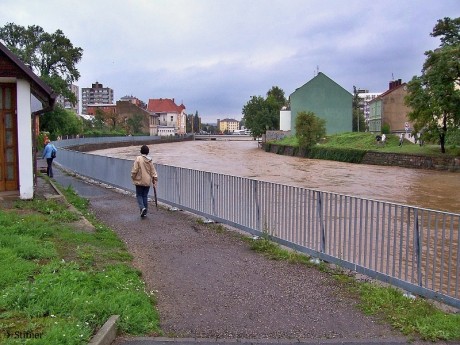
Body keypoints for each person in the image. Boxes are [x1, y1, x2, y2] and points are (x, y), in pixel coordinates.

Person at [131, 145, 158, 218]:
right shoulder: (150, 160)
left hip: (139, 180)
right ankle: (144, 212)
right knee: (145, 196)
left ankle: (142, 208)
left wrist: (133, 177)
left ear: (141, 151)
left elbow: (135, 170)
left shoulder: (138, 159)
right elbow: (153, 171)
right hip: (147, 181)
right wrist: (155, 179)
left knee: (139, 195)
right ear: (148, 152)